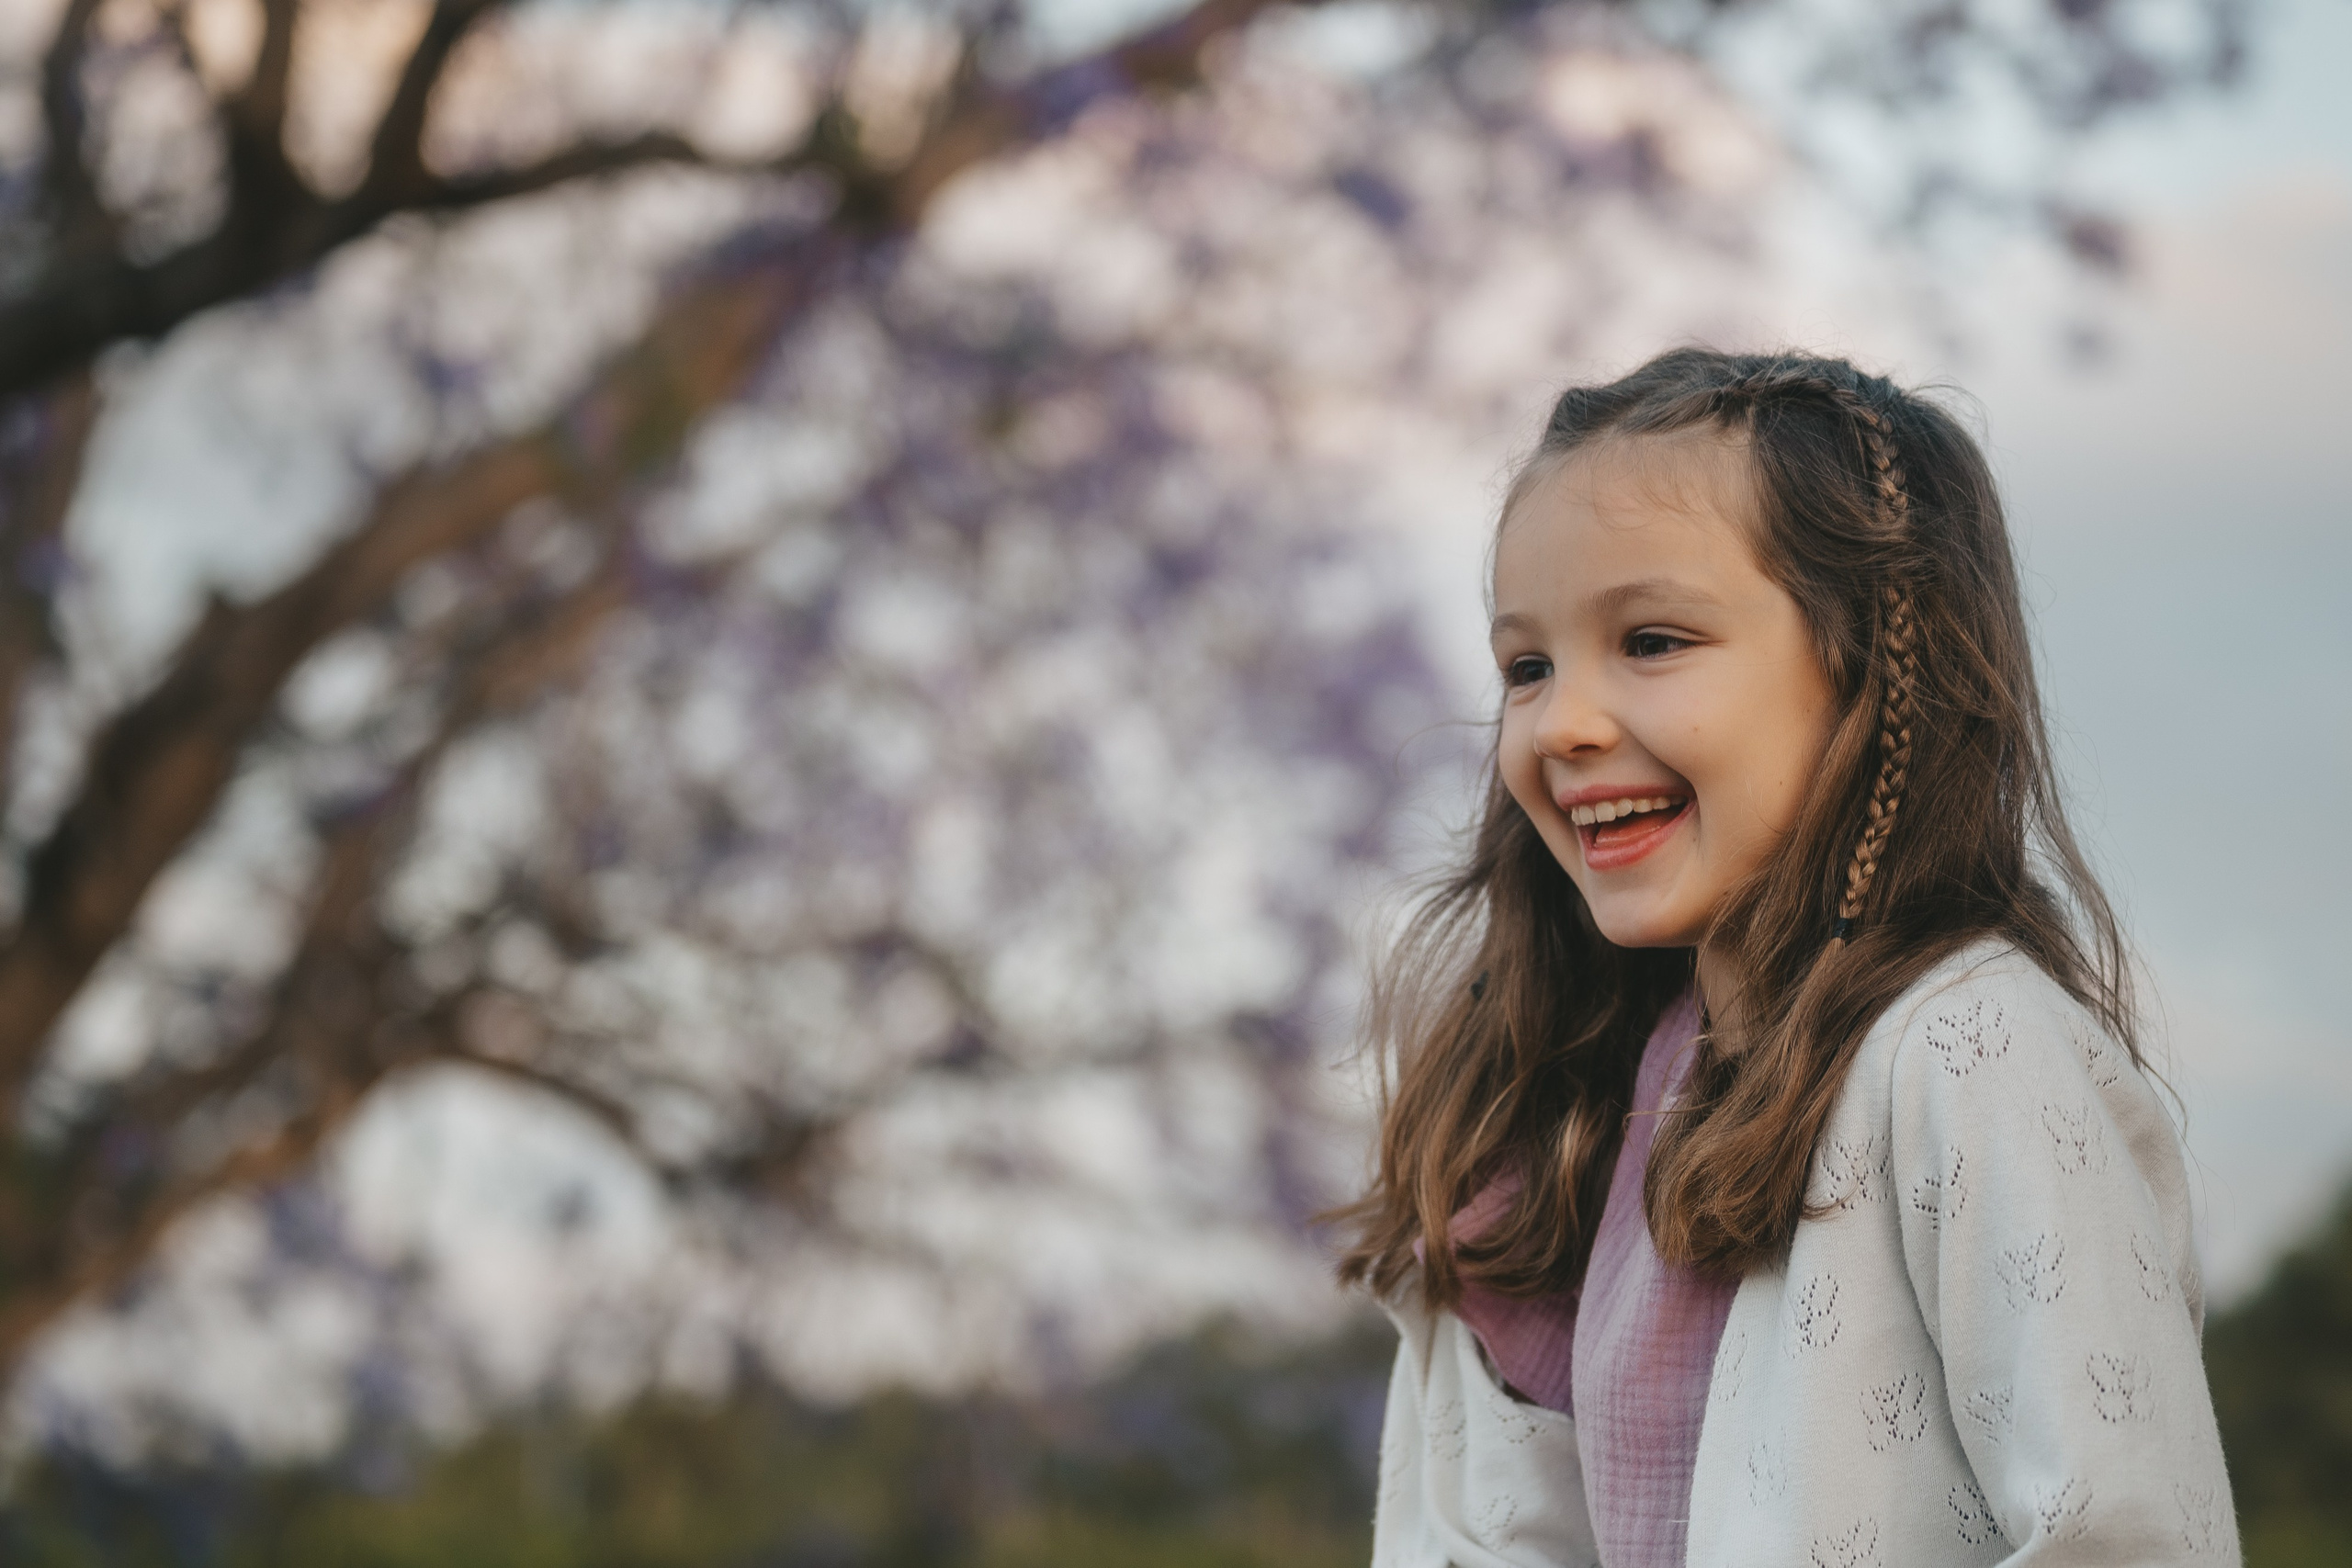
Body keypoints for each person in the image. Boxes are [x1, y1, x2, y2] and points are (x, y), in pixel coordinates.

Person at [1333, 348, 2239, 1567]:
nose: (1565, 723)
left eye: (1651, 640)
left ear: (1873, 671)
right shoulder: (1589, 1103)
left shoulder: (1968, 1052)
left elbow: (2123, 1536)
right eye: (1527, 667)